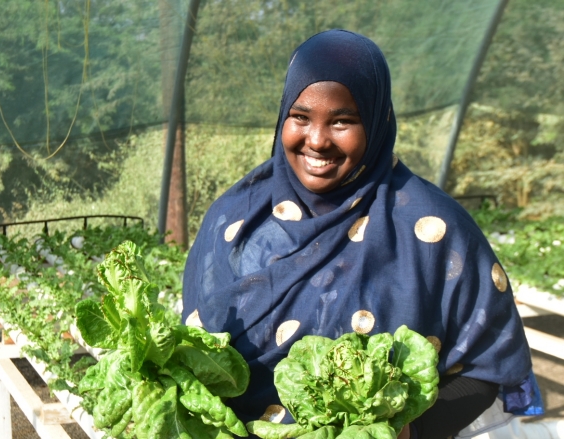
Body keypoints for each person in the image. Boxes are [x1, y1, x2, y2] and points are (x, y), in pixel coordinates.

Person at [181, 29, 542, 439]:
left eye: (342, 121)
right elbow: (190, 357)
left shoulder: (434, 230)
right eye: (300, 117)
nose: (317, 140)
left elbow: (484, 367)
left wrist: (410, 430)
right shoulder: (236, 220)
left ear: (375, 121)